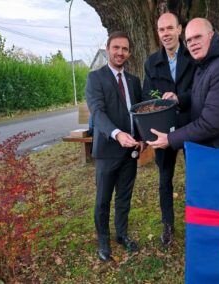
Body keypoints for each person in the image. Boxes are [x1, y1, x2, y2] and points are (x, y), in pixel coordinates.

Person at [147, 18, 219, 151]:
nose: (193, 44)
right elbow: (199, 95)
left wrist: (170, 139)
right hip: (213, 152)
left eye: (197, 37)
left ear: (211, 35)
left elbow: (211, 124)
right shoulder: (203, 66)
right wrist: (178, 99)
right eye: (189, 40)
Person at [85, 31, 143, 262]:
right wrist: (117, 134)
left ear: (129, 53)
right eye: (116, 47)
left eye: (125, 49)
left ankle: (122, 234)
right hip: (108, 151)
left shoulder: (134, 81)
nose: (120, 52)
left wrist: (141, 137)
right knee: (103, 199)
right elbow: (97, 112)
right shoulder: (95, 78)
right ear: (108, 49)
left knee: (124, 197)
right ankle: (103, 241)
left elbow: (139, 112)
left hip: (131, 151)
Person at [142, 12, 195, 247]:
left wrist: (179, 98)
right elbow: (147, 98)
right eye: (161, 29)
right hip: (163, 131)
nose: (165, 34)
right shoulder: (151, 62)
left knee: (196, 176)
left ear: (179, 29)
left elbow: (202, 91)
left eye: (169, 28)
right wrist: (163, 104)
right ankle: (168, 225)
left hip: (192, 127)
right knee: (165, 179)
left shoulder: (194, 56)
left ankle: (199, 222)